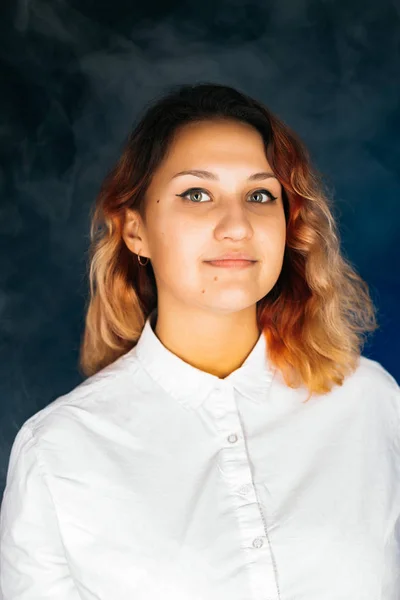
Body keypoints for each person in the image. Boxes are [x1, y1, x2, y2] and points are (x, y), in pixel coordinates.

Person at [0, 82, 399, 600]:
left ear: (288, 225)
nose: (236, 225)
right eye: (196, 194)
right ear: (134, 230)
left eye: (260, 195)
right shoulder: (59, 452)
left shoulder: (372, 404)